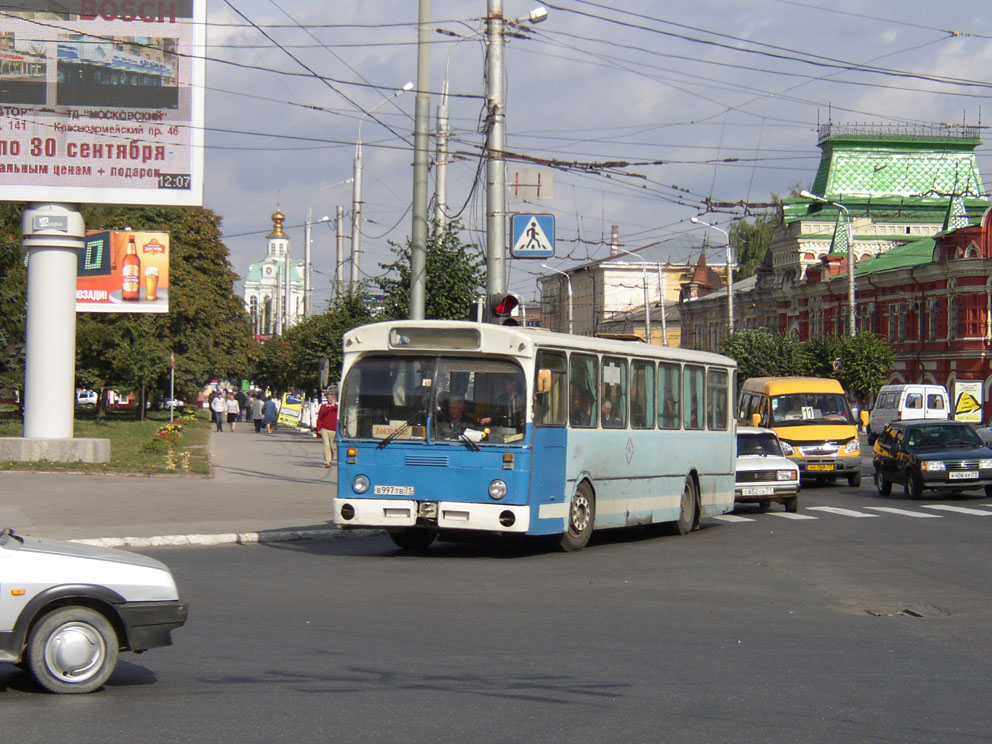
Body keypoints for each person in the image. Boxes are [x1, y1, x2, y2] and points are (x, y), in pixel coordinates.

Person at [316, 389, 338, 468]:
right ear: (327, 398)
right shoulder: (323, 407)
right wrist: (319, 429)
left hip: (334, 430)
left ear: (334, 398)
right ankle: (327, 462)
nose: (330, 399)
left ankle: (330, 459)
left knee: (333, 447)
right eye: (329, 397)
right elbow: (319, 418)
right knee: (326, 445)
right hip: (325, 429)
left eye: (331, 397)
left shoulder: (336, 408)